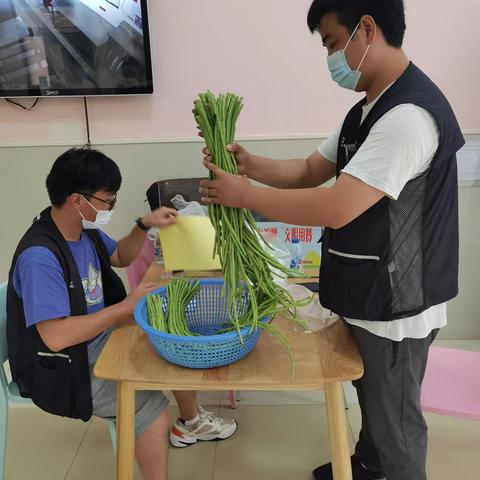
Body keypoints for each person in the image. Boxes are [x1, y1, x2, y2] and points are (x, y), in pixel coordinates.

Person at [198, 1, 464, 479]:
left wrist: (244, 197)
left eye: (332, 43)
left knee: (398, 422)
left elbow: (338, 204)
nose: (330, 59)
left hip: (397, 303)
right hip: (367, 288)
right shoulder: (365, 111)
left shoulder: (408, 118)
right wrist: (250, 166)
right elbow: (307, 171)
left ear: (367, 28)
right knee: (372, 397)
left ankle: (392, 468)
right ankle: (367, 465)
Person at [7, 147, 237, 480]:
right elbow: (56, 337)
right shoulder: (41, 257)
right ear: (76, 199)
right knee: (151, 408)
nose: (111, 207)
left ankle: (191, 421)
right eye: (108, 200)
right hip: (64, 367)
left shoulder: (81, 230)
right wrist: (124, 308)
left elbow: (121, 258)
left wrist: (144, 225)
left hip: (96, 339)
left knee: (170, 337)